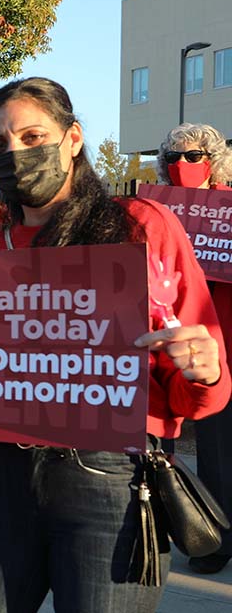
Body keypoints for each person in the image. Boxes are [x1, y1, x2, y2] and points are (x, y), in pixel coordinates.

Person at [0, 77, 231, 612]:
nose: (16, 153)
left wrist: (205, 370)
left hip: (110, 484)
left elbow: (200, 392)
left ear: (74, 138)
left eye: (33, 136)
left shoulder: (140, 229)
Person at [156, 122, 232, 574]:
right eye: (174, 158)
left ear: (212, 159)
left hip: (229, 337)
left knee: (224, 447)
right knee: (207, 449)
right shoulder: (160, 212)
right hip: (189, 347)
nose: (182, 165)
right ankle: (211, 537)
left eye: (192, 156)